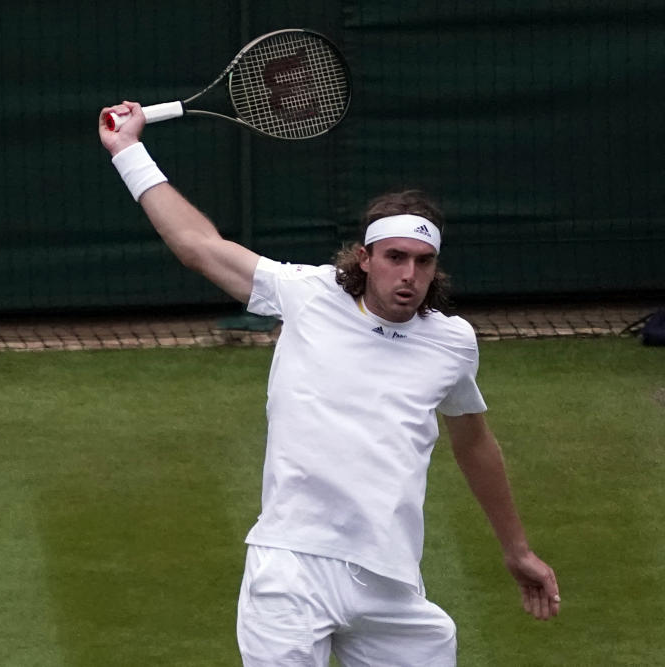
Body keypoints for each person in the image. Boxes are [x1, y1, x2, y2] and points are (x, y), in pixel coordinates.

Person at [98, 101, 560, 666]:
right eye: (395, 257)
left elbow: (474, 442)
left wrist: (516, 549)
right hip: (292, 569)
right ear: (365, 258)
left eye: (423, 261)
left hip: (389, 580)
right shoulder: (306, 294)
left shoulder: (453, 342)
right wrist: (128, 151)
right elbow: (198, 245)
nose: (409, 275)